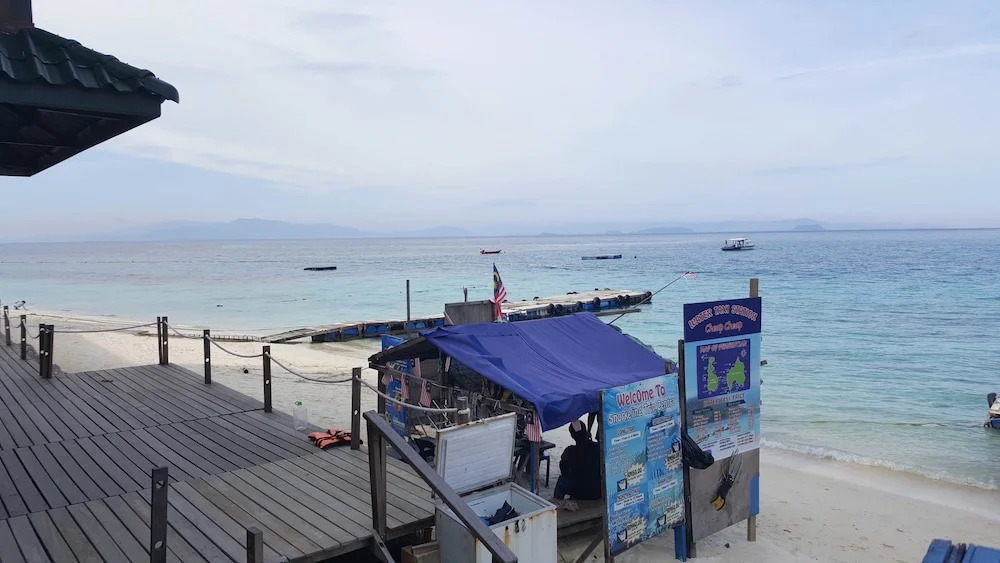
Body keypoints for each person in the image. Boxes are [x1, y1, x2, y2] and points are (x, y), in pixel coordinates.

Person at [554, 420, 602, 503]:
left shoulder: (569, 451)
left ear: (572, 436)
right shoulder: (598, 447)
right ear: (586, 432)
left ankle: (557, 503)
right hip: (598, 491)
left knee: (562, 480)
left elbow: (564, 472)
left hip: (579, 493)